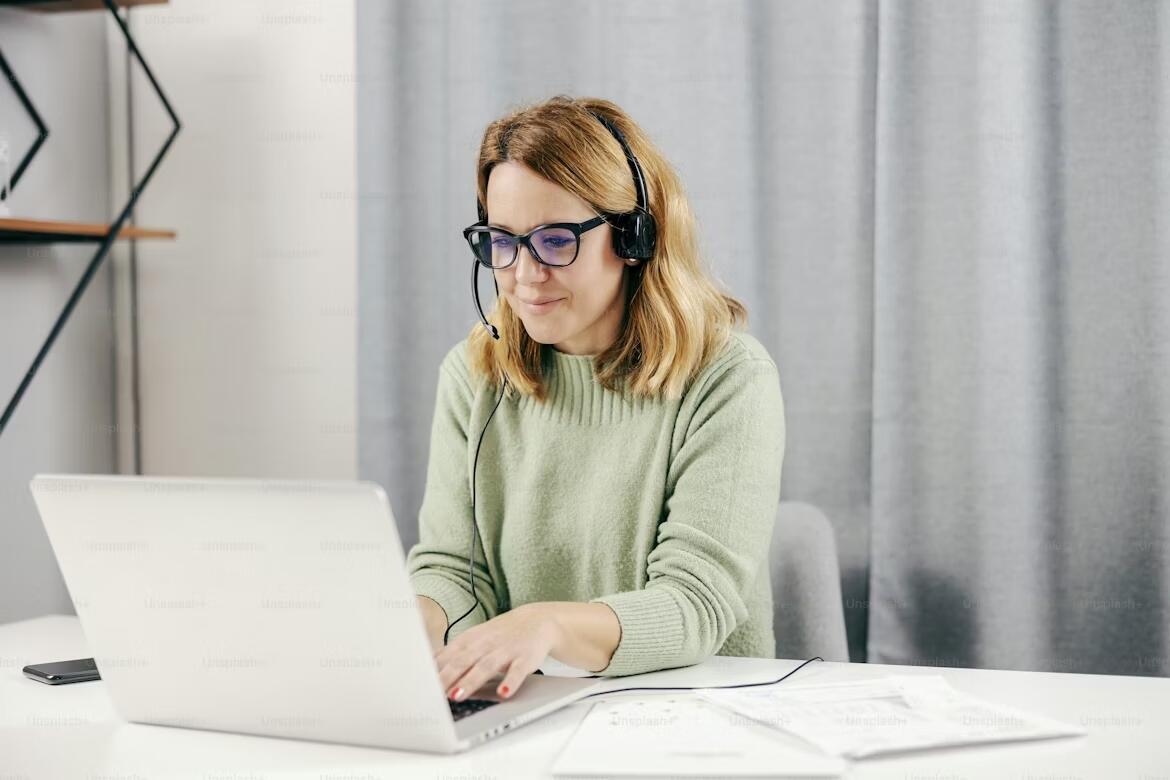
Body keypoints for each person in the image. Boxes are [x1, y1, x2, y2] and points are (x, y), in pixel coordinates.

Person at [406, 95, 785, 705]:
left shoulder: (728, 378)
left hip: (698, 717)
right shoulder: (474, 373)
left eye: (555, 241)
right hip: (530, 710)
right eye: (501, 241)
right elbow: (455, 569)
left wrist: (548, 624)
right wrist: (416, 625)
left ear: (634, 238)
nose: (525, 275)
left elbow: (696, 603)